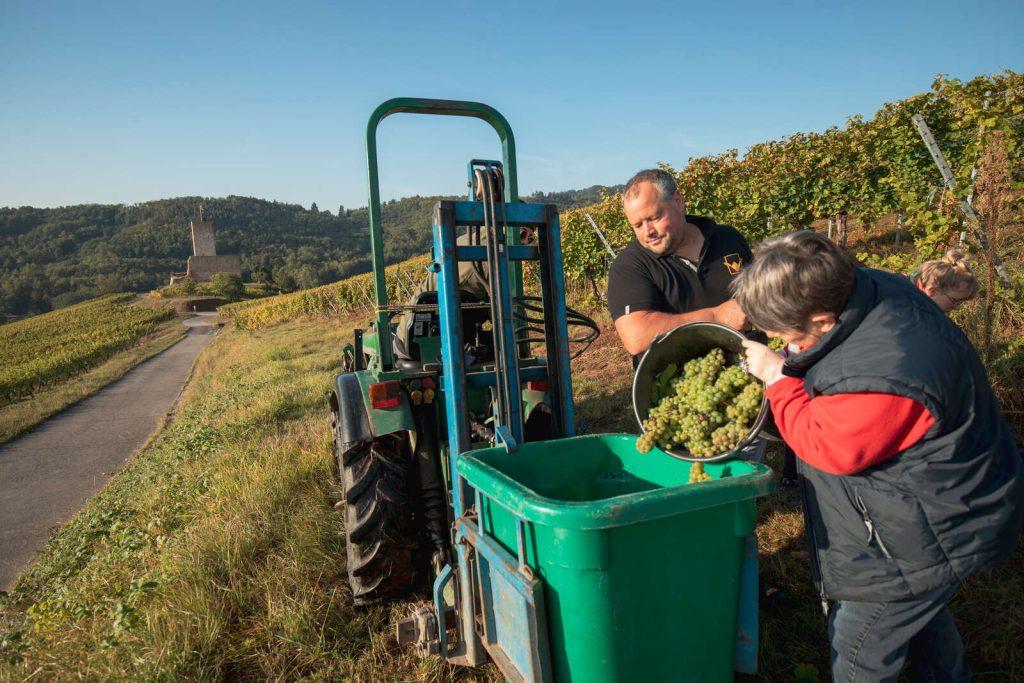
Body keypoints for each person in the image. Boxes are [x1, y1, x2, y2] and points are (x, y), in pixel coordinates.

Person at [734, 230, 1023, 682]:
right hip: (930, 507)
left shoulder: (886, 373)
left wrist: (777, 376)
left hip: (924, 528)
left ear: (824, 319)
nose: (775, 338)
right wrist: (793, 354)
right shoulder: (862, 286)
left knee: (860, 647)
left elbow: (825, 444)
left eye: (784, 331)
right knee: (921, 607)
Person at [606, 168, 749, 359]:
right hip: (680, 382)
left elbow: (758, 293)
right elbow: (636, 337)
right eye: (637, 225)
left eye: (654, 218)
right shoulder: (629, 266)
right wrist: (716, 318)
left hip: (749, 366)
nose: (648, 232)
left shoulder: (728, 238)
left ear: (678, 201)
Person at [914, 248, 979, 313]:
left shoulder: (916, 306)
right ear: (932, 290)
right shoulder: (910, 311)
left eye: (960, 302)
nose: (957, 308)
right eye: (955, 300)